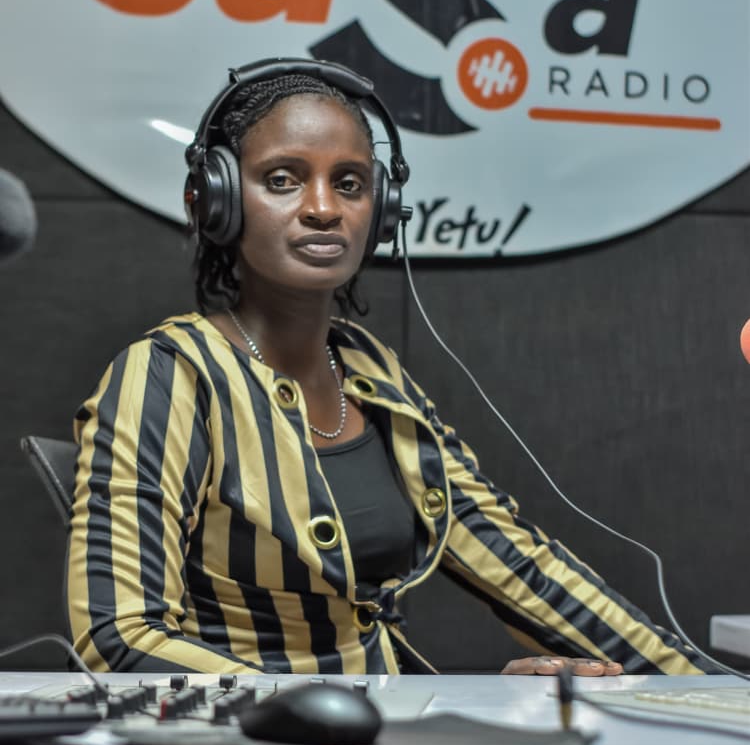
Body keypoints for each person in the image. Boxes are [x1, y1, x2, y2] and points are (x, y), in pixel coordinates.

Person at [67, 58, 712, 676]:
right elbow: (121, 637)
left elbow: (521, 569)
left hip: (386, 730)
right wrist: (312, 707)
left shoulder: (370, 370)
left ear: (379, 211)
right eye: (284, 179)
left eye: (349, 184)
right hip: (252, 743)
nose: (323, 208)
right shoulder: (168, 375)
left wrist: (709, 689)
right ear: (218, 201)